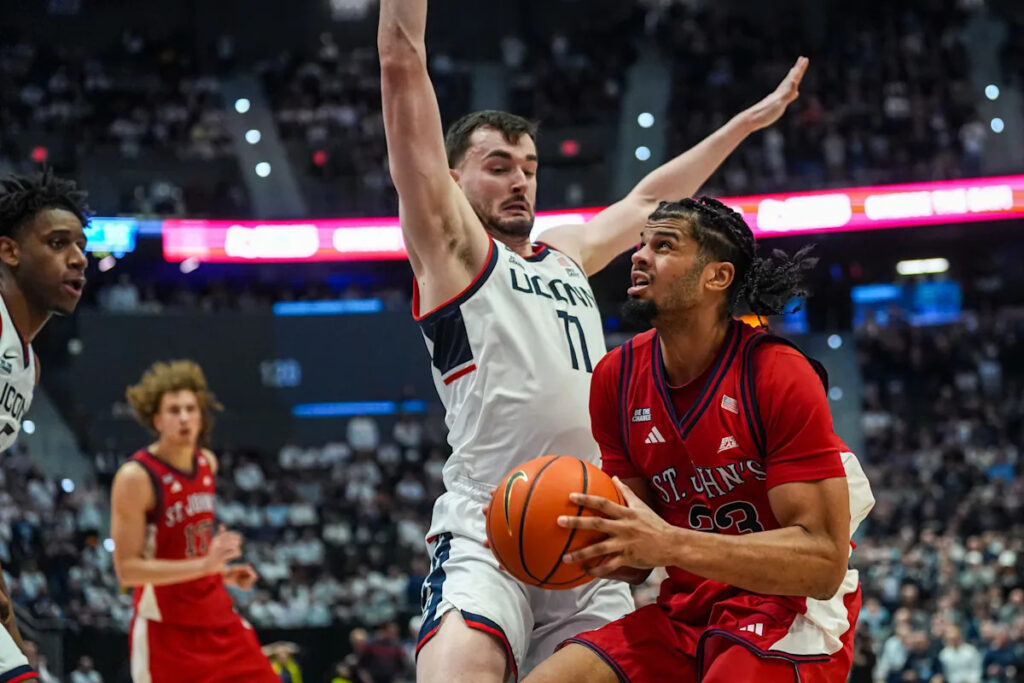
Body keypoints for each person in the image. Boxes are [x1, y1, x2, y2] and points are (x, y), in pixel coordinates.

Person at [378, 1, 808, 680]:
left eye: (528, 165)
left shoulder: (565, 251)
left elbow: (647, 204)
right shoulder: (453, 250)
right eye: (497, 166)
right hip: (492, 524)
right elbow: (402, 63)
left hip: (594, 532)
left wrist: (744, 124)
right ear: (453, 179)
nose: (519, 179)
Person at [522, 197, 875, 682]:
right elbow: (635, 561)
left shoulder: (777, 373)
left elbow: (822, 563)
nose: (639, 255)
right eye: (641, 243)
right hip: (686, 611)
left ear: (717, 277)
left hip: (790, 610)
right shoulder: (615, 377)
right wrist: (563, 539)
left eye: (664, 245)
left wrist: (668, 543)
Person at [109, 360, 278, 682]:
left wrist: (222, 574)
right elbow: (127, 570)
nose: (184, 417)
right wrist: (206, 566)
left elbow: (185, 550)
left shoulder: (206, 463)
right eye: (174, 410)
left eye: (190, 408)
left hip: (217, 617)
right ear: (156, 419)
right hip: (167, 630)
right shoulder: (136, 477)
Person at [0, 169, 89, 682]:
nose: (78, 258)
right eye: (58, 243)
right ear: (9, 252)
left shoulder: (26, 368)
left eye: (80, 245)